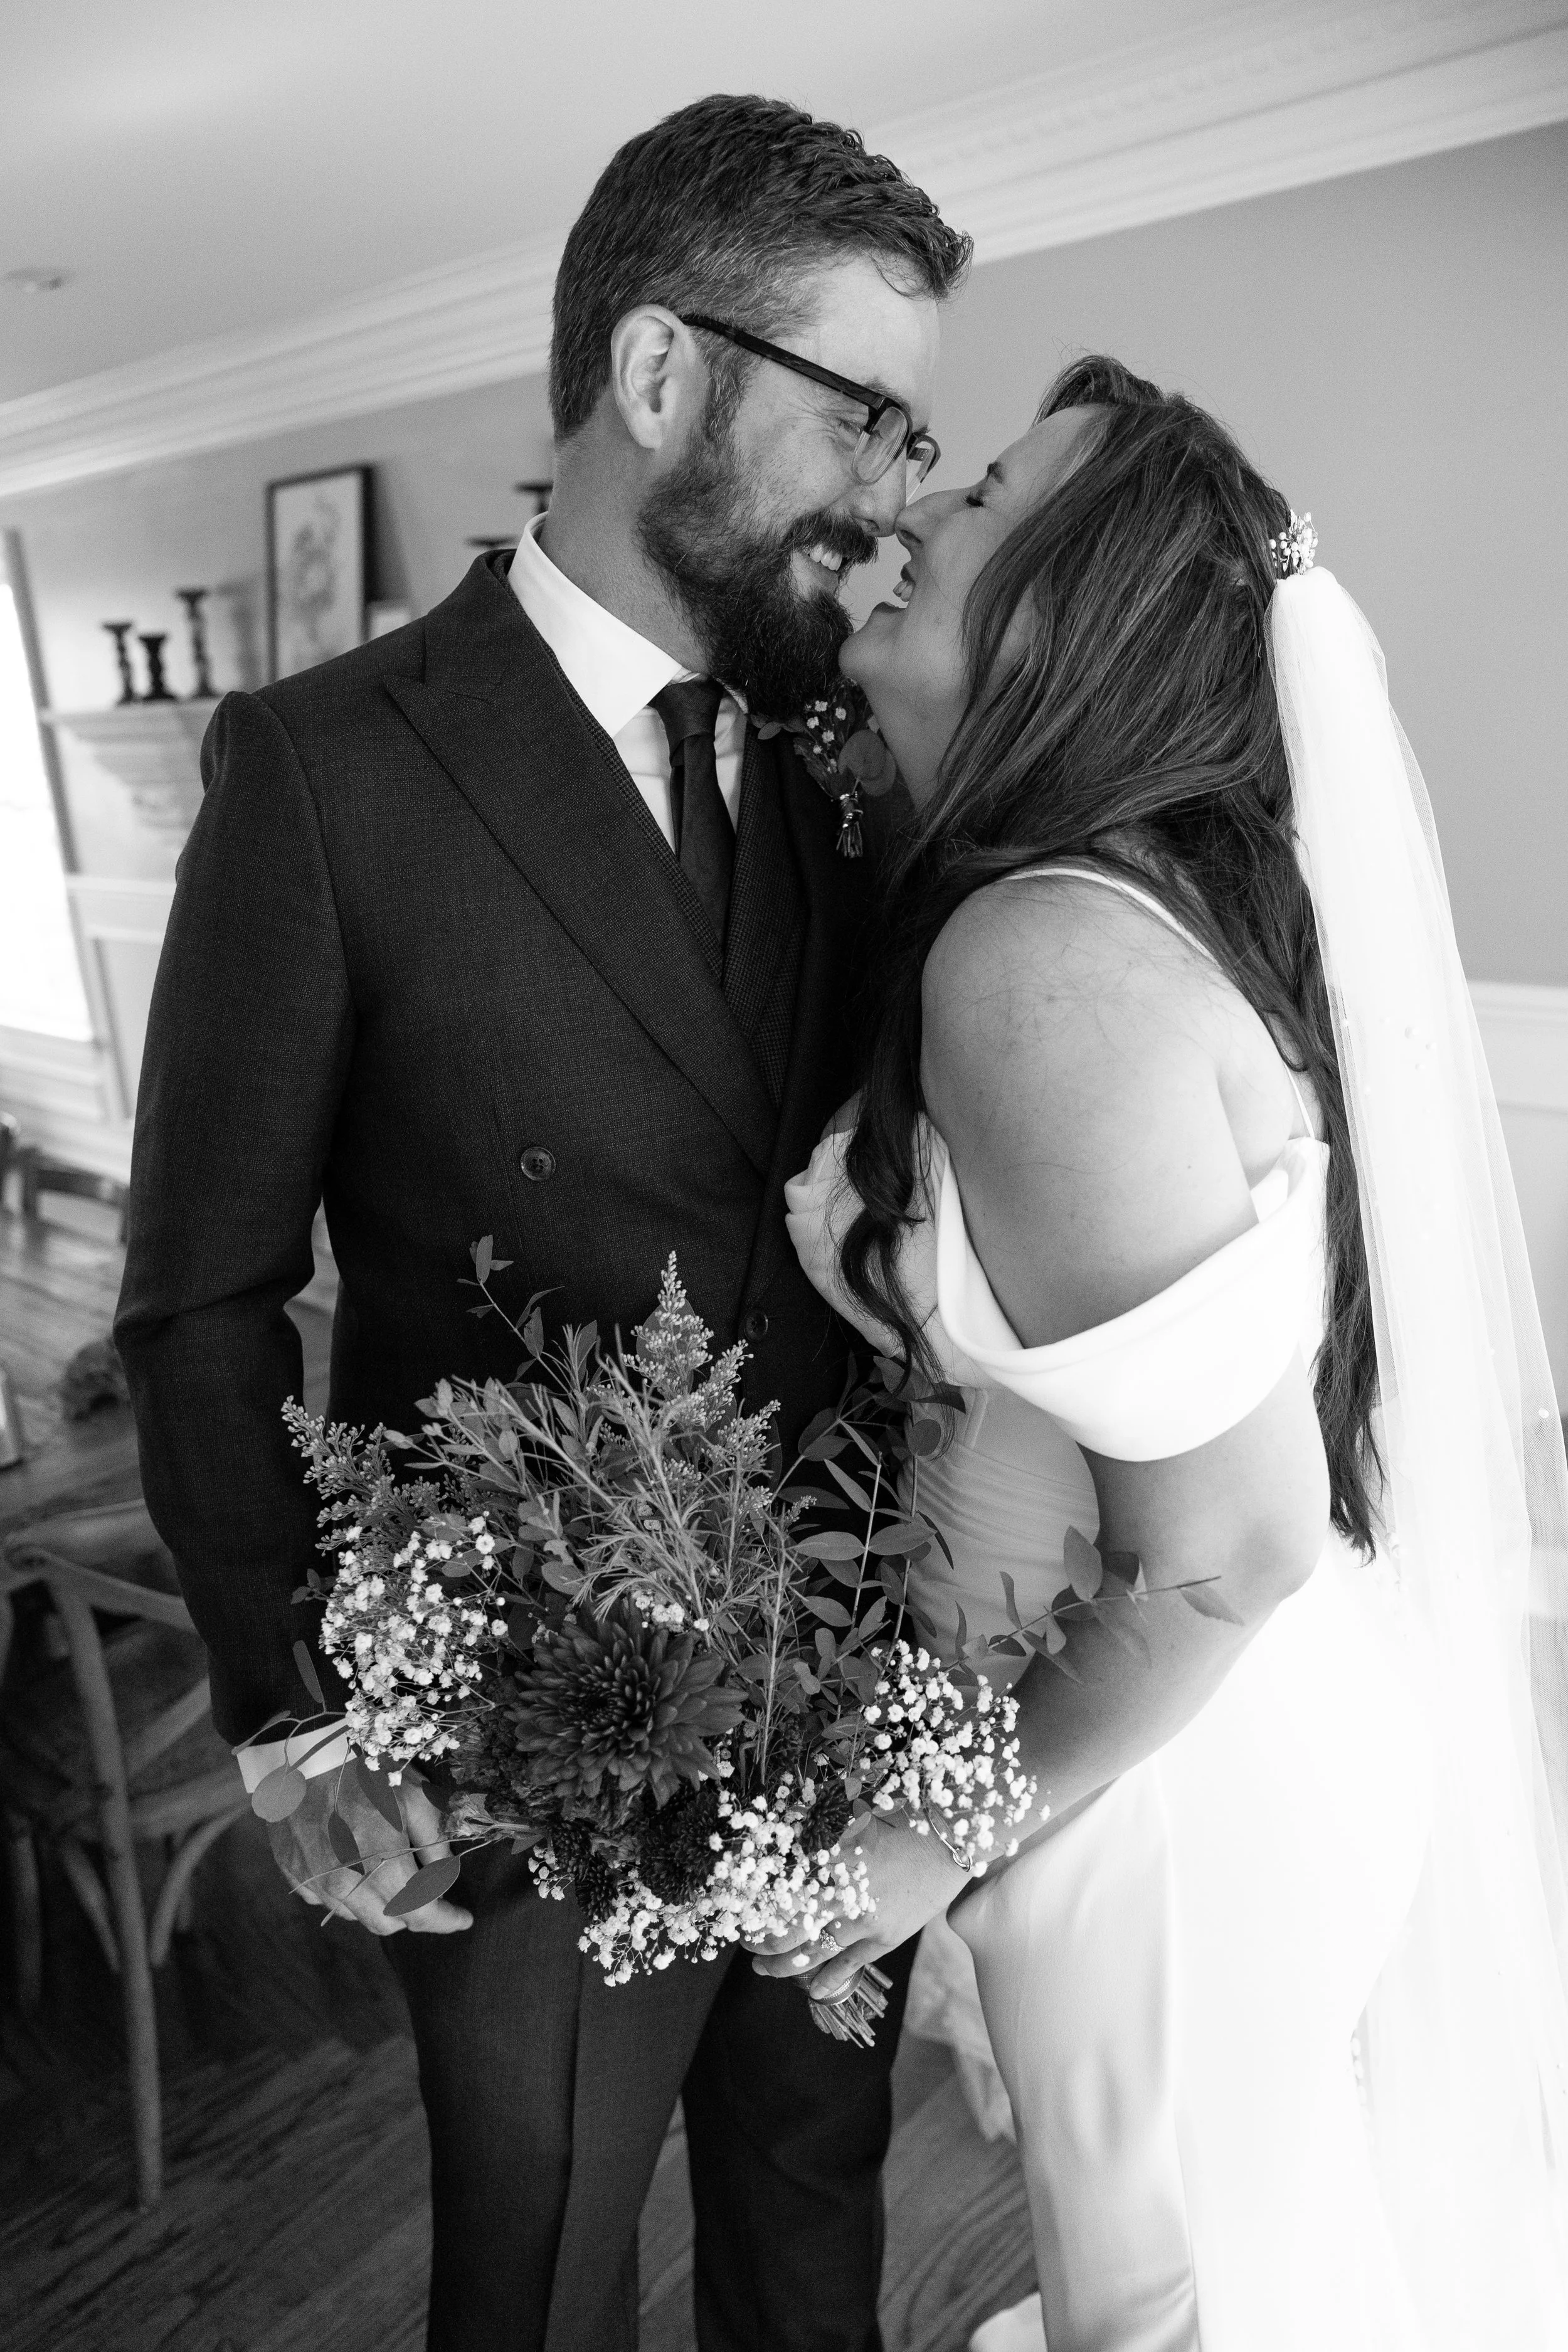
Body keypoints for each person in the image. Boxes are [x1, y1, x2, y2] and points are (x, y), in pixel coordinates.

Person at [115, 94, 970, 2352]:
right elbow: (199, 1291)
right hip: (522, 1731)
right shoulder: (326, 769)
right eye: (862, 415)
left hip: (838, 1701)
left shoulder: (829, 760)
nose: (895, 490)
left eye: (916, 432)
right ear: (663, 378)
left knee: (817, 2228)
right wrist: (296, 1709)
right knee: (540, 2271)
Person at [773, 357, 1568, 2349]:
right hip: (1175, 1743)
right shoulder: (1114, 914)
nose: (901, 524)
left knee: (1187, 2306)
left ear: (1066, 620)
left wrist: (902, 1850)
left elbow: (1231, 1550)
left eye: (968, 511)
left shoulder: (1037, 957)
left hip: (1177, 1780)